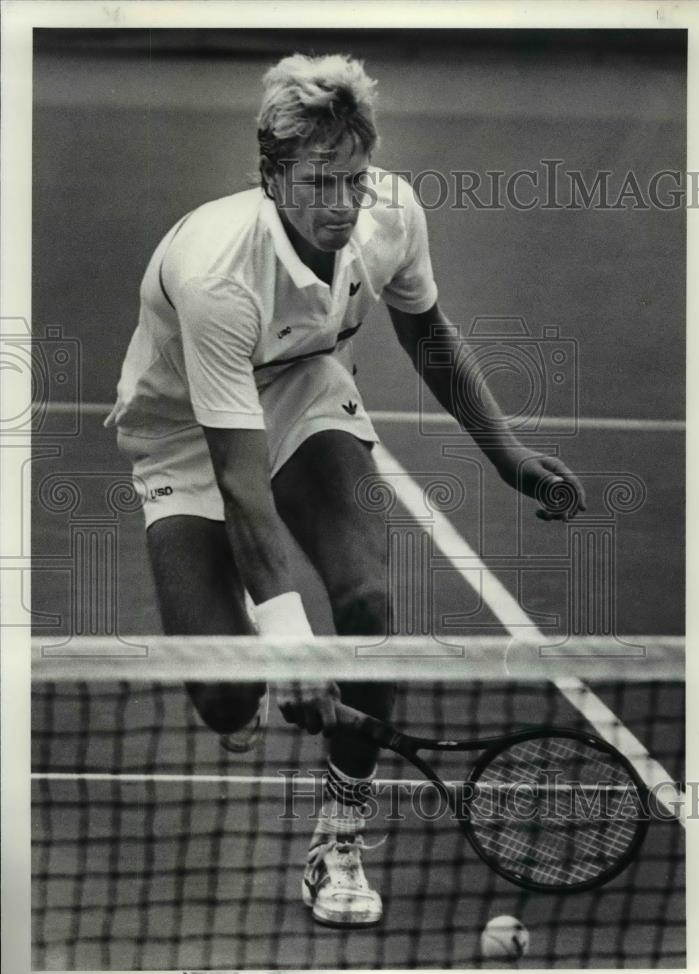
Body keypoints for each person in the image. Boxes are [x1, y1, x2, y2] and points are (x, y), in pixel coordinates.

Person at [105, 53, 585, 928]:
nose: (341, 203)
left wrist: (505, 452)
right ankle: (237, 661)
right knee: (224, 697)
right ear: (271, 175)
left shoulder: (388, 216)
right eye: (319, 182)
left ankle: (341, 835)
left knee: (366, 597)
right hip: (186, 433)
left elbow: (426, 329)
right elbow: (239, 482)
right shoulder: (219, 274)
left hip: (303, 387)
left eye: (354, 179)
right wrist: (286, 644)